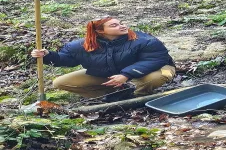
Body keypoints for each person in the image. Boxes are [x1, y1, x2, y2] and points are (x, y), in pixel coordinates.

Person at [30, 16, 175, 100]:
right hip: (111, 74)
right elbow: (66, 59)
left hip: (153, 69)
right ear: (100, 31)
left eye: (121, 23)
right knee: (60, 82)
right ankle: (113, 95)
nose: (122, 26)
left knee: (155, 78)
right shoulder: (81, 45)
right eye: (114, 25)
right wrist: (48, 55)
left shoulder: (144, 40)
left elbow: (155, 59)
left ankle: (138, 95)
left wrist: (126, 75)